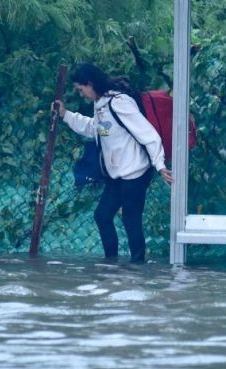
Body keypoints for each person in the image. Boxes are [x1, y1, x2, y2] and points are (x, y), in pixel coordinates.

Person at [53, 63, 173, 263]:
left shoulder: (119, 102)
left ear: (90, 84)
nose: (81, 94)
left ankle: (137, 268)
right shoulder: (99, 104)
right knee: (102, 215)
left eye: (81, 89)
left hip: (135, 172)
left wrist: (159, 165)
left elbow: (148, 134)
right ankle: (111, 265)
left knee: (130, 220)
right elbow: (97, 129)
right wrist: (66, 115)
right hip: (117, 174)